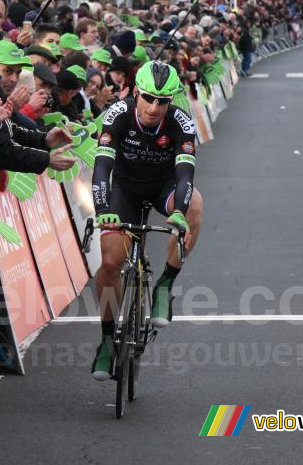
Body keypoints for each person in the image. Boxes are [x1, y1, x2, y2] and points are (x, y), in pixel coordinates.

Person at [89, 60, 204, 380]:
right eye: (149, 98)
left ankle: (165, 284)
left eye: (163, 101)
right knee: (111, 263)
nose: (154, 107)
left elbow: (185, 175)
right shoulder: (118, 115)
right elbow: (101, 169)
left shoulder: (181, 122)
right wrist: (103, 211)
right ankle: (107, 340)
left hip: (164, 187)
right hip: (125, 189)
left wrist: (179, 211)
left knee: (195, 205)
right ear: (136, 92)